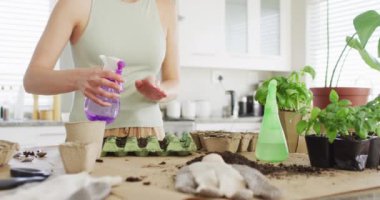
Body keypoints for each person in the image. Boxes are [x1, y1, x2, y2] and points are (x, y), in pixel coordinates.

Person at [23, 0, 179, 140]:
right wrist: (79, 79)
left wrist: (160, 91)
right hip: (89, 135)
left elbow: (174, 81)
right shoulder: (75, 4)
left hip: (149, 134)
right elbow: (32, 79)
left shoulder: (166, 6)